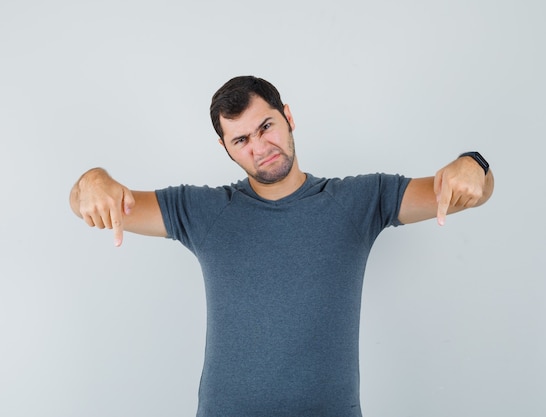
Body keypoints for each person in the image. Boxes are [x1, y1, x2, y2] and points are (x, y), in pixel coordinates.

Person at [69, 76, 494, 417]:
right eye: (241, 140)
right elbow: (94, 202)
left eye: (266, 126)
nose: (260, 147)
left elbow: (467, 191)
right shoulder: (203, 211)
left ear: (287, 116)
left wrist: (473, 164)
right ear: (226, 148)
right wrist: (92, 179)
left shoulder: (359, 201)